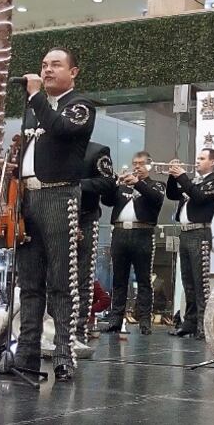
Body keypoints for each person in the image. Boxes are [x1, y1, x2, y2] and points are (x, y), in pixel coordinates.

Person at [15, 47, 95, 383]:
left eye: (56, 65)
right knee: (29, 281)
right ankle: (26, 352)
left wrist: (35, 96)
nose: (47, 70)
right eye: (44, 65)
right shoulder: (33, 111)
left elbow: (61, 130)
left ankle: (64, 355)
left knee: (62, 280)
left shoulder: (81, 105)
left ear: (73, 72)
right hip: (27, 197)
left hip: (59, 195)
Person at [101, 151, 166, 335]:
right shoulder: (123, 186)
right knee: (119, 279)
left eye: (140, 163)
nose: (136, 166)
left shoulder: (156, 185)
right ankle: (116, 319)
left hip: (143, 233)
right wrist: (113, 184)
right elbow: (107, 201)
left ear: (149, 165)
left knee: (144, 279)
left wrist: (138, 183)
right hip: (120, 232)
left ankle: (145, 320)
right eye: (134, 163)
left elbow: (156, 198)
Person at [166, 148, 214, 340]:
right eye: (197, 157)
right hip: (185, 234)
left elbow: (199, 197)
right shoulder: (193, 182)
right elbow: (173, 195)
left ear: (212, 162)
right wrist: (173, 177)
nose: (197, 161)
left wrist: (182, 176)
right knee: (187, 282)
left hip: (200, 233)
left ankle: (203, 325)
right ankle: (189, 323)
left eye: (201, 158)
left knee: (200, 283)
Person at [74, 141, 116, 343]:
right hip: (55, 216)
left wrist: (77, 184)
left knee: (84, 277)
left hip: (86, 216)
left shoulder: (97, 150)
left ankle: (80, 329)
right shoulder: (52, 147)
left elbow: (108, 183)